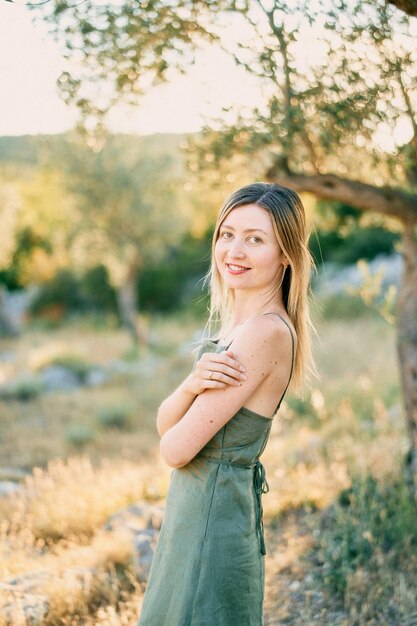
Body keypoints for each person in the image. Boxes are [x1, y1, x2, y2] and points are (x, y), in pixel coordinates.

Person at [137, 182, 318, 625]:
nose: (234, 250)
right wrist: (190, 385)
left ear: (286, 255)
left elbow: (174, 449)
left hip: (212, 517)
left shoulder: (264, 333)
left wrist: (190, 398)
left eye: (255, 239)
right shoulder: (239, 324)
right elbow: (166, 423)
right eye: (227, 234)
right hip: (195, 508)